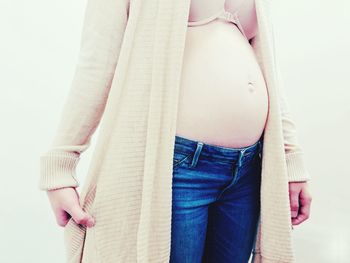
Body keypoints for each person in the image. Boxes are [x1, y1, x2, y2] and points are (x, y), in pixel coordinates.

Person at [38, 0, 313, 262]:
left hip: (248, 170)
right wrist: (61, 165)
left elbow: (268, 67)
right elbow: (97, 62)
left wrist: (291, 159)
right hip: (175, 169)